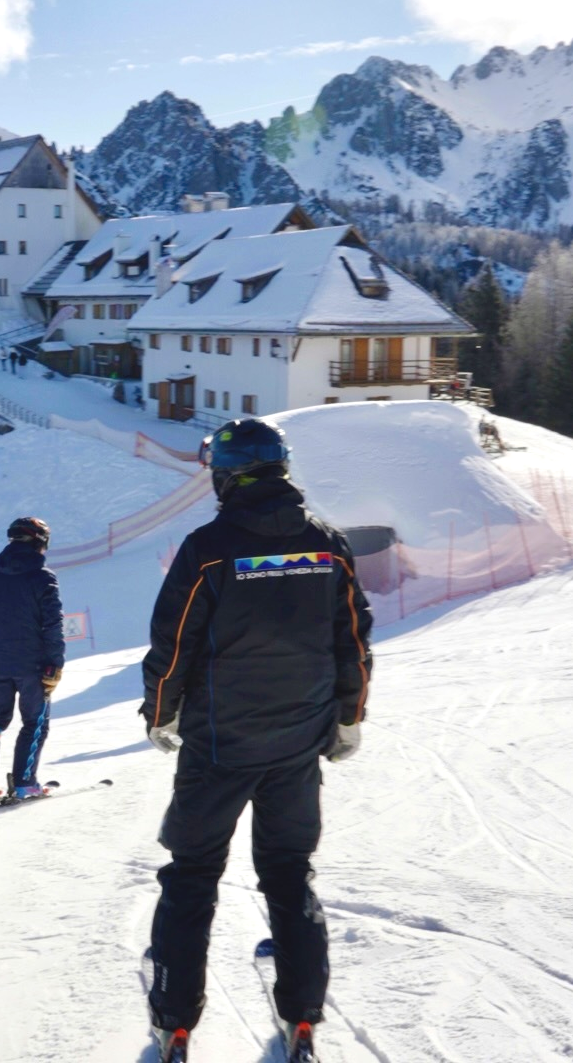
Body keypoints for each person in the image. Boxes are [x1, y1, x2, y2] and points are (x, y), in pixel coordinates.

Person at [139, 417, 373, 1063]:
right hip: (297, 744)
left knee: (192, 874)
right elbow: (352, 640)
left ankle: (175, 1019)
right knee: (289, 874)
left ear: (227, 477)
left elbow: (173, 642)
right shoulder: (326, 544)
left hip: (220, 745)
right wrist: (348, 716)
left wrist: (160, 713)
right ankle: (303, 1016)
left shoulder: (209, 549)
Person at [0, 517, 65, 801]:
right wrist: (55, 665)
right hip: (33, 667)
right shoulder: (43, 577)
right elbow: (53, 626)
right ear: (41, 543)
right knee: (35, 722)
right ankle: (25, 783)